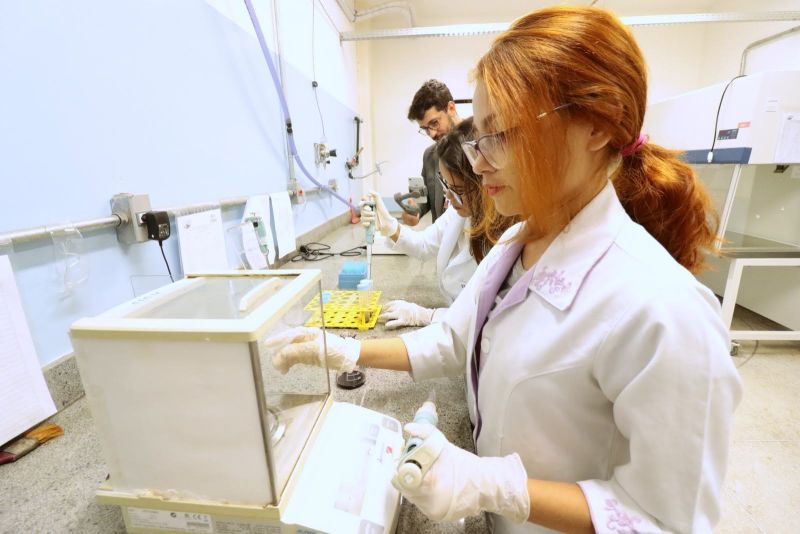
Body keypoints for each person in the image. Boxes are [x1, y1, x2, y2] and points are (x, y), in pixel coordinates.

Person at [271, 6, 741, 533]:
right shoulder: (516, 243)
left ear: (595, 125)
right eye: (479, 137)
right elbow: (453, 338)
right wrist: (347, 351)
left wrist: (498, 486)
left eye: (503, 134)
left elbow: (666, 519)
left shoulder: (665, 313)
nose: (478, 162)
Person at [361, 117, 516, 329]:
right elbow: (424, 244)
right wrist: (389, 226)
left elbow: (491, 320)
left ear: (484, 182)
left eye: (458, 189)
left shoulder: (509, 238)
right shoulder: (459, 212)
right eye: (445, 184)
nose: (449, 197)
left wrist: (428, 316)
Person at [404, 79, 463, 226]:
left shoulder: (478, 147)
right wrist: (414, 211)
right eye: (425, 129)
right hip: (441, 239)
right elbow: (426, 200)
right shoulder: (430, 156)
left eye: (434, 123)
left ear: (451, 108)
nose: (431, 134)